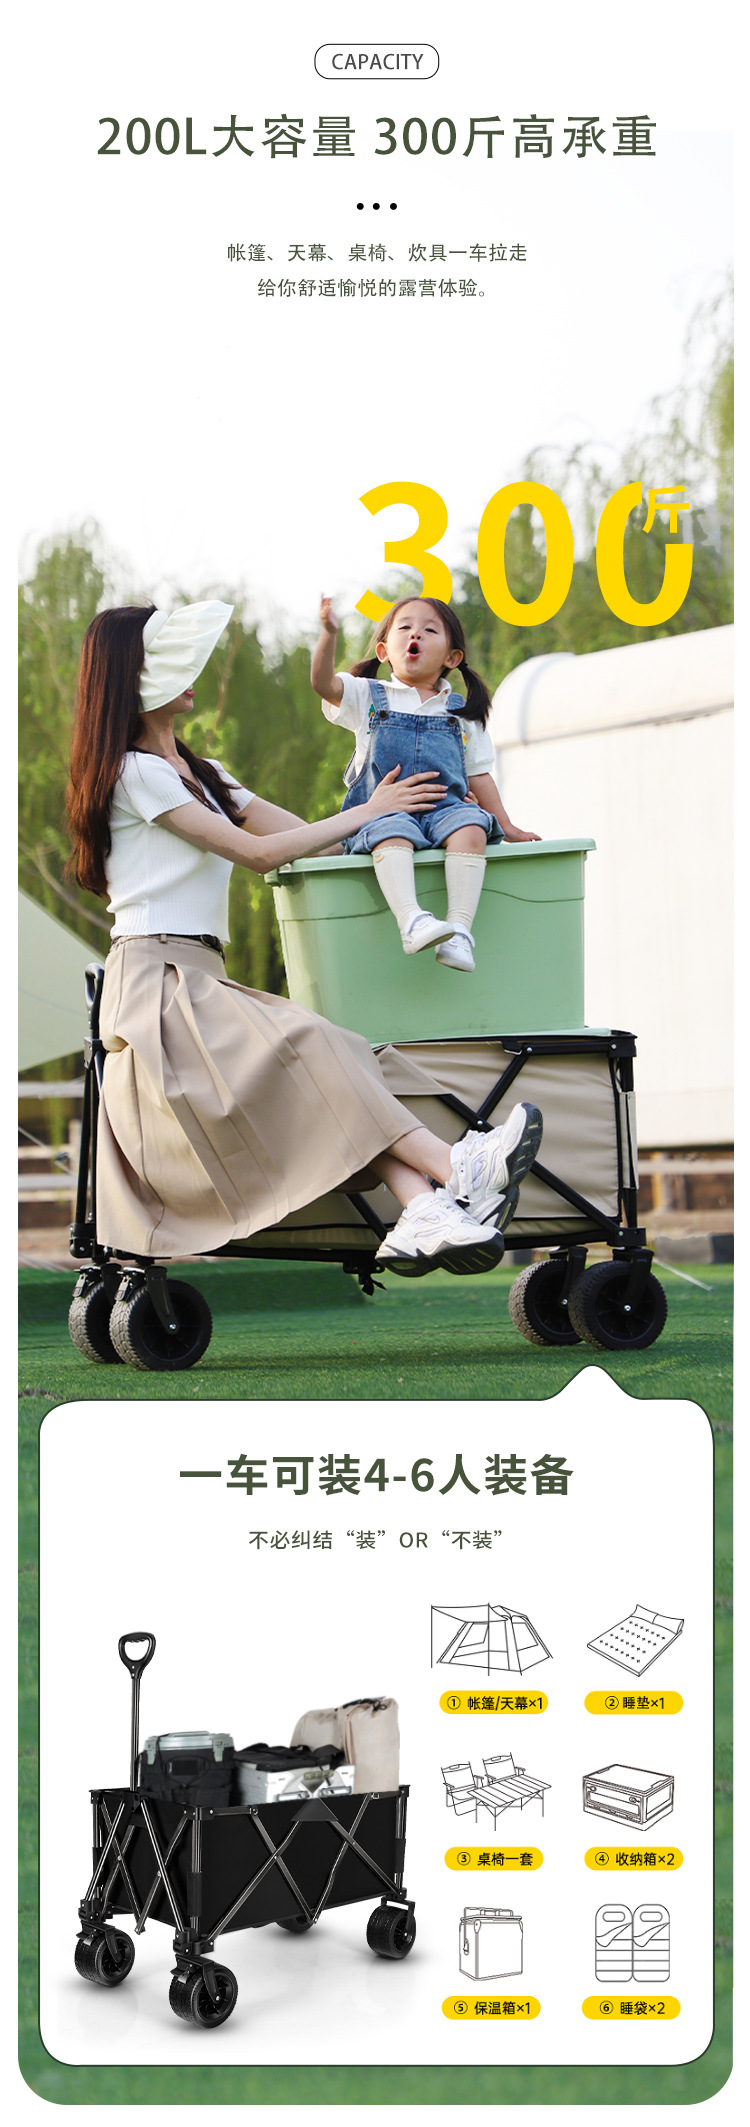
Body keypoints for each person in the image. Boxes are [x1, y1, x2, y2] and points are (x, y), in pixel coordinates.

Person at [66, 599, 543, 1270]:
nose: (191, 672)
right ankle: (459, 1167)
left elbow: (318, 841)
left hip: (200, 979)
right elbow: (260, 854)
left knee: (340, 1059)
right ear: (135, 676)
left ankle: (422, 1210)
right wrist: (372, 810)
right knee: (313, 1045)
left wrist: (421, 824)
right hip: (156, 988)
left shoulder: (206, 776)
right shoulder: (135, 772)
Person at [311, 593, 540, 973]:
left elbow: (479, 774)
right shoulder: (367, 695)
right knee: (392, 832)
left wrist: (507, 825)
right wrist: (328, 634)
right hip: (382, 811)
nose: (414, 634)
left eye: (430, 630)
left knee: (473, 826)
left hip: (445, 810)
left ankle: (459, 931)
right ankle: (412, 921)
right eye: (404, 627)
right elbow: (322, 683)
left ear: (452, 657)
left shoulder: (462, 711)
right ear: (384, 651)